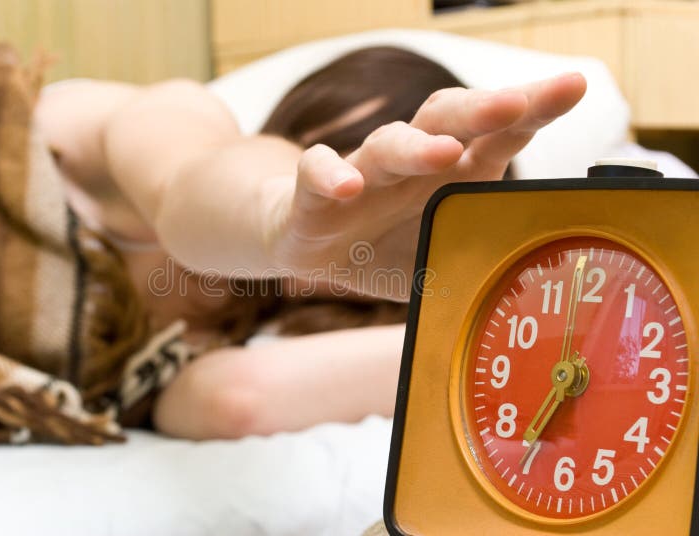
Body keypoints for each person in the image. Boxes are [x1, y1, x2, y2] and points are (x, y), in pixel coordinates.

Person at [35, 46, 587, 440]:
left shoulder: (262, 322)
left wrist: (481, 327)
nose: (360, 216)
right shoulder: (179, 120)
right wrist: (281, 215)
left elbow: (228, 400)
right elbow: (188, 181)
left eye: (397, 209)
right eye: (334, 157)